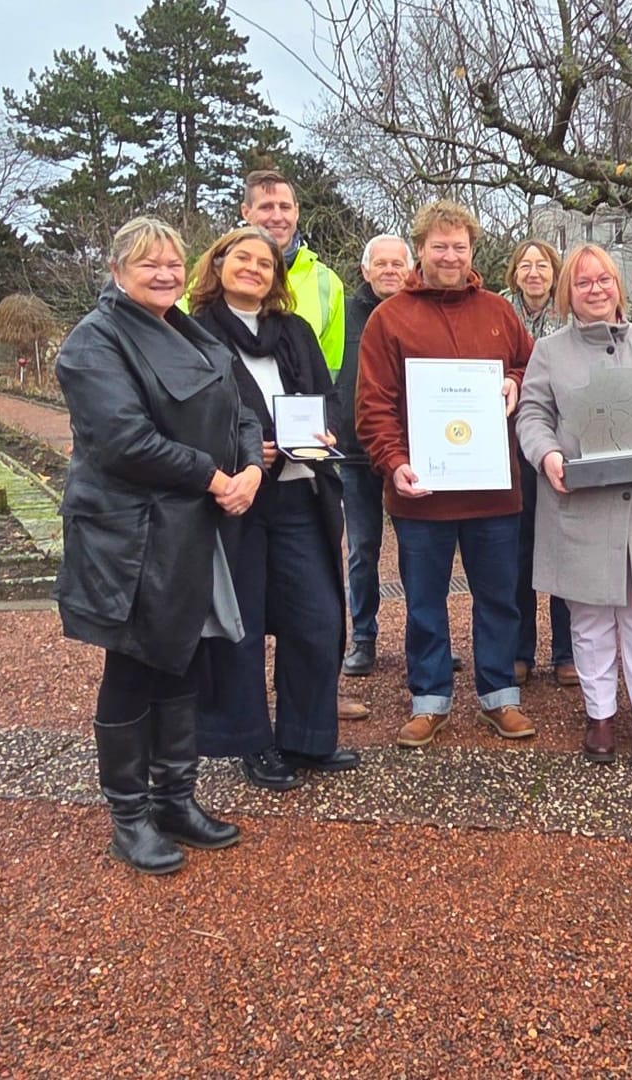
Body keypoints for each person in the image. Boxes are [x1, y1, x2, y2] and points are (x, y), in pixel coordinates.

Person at [54, 215, 255, 874]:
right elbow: (123, 440)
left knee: (183, 661)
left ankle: (175, 797)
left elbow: (242, 410)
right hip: (132, 534)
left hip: (190, 528)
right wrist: (214, 475)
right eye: (149, 264)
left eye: (173, 262)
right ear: (117, 272)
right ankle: (129, 816)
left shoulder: (185, 328)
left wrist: (250, 468)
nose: (166, 273)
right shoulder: (95, 343)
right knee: (136, 664)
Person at [356, 199, 539, 747]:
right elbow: (374, 406)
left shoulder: (500, 313)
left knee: (499, 596)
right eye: (440, 245)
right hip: (423, 491)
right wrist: (394, 462)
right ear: (421, 249)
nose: (451, 255)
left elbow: (533, 367)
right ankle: (430, 697)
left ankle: (499, 694)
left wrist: (515, 379)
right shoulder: (388, 319)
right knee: (425, 602)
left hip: (493, 490)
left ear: (472, 249)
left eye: (460, 246)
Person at [188, 226, 360, 790]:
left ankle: (308, 737)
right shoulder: (194, 335)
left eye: (265, 263)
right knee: (242, 626)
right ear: (218, 265)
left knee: (317, 618)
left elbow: (327, 399)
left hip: (299, 492)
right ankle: (251, 743)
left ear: (276, 278)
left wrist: (326, 432)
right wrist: (242, 449)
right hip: (234, 502)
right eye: (242, 258)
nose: (254, 269)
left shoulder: (295, 331)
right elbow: (186, 415)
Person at [516, 244, 632, 766]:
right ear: (568, 292)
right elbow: (532, 414)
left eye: (604, 280)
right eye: (582, 282)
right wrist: (546, 455)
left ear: (618, 285)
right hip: (582, 502)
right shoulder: (550, 351)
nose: (595, 290)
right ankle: (598, 715)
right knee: (590, 621)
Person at [503, 238, 576, 687]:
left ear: (554, 273)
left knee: (565, 546)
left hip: (563, 441)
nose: (534, 273)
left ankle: (566, 650)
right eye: (526, 265)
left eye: (542, 266)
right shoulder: (496, 314)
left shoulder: (570, 315)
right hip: (510, 444)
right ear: (515, 273)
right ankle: (519, 649)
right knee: (518, 549)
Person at [339, 234, 411, 679]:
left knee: (420, 552)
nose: (389, 270)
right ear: (365, 270)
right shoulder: (343, 316)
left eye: (397, 263)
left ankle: (424, 638)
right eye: (380, 263)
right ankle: (363, 638)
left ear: (409, 267)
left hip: (411, 451)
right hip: (353, 452)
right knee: (363, 550)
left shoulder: (420, 312)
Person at [237, 169, 348, 373]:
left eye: (285, 207)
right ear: (246, 212)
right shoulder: (216, 273)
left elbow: (331, 369)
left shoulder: (328, 283)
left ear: (296, 211)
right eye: (266, 207)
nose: (277, 217)